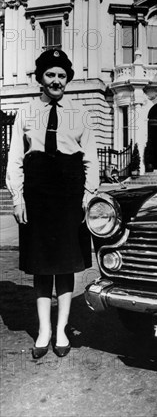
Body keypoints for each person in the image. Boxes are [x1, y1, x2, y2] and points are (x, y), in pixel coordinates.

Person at [6, 48, 99, 359]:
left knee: (66, 265)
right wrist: (17, 197)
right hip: (38, 197)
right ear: (40, 80)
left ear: (67, 79)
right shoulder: (26, 112)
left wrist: (88, 195)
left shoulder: (81, 113)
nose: (56, 80)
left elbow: (91, 159)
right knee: (42, 266)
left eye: (61, 75)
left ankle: (61, 329)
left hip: (70, 199)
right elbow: (15, 157)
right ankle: (44, 329)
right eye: (50, 75)